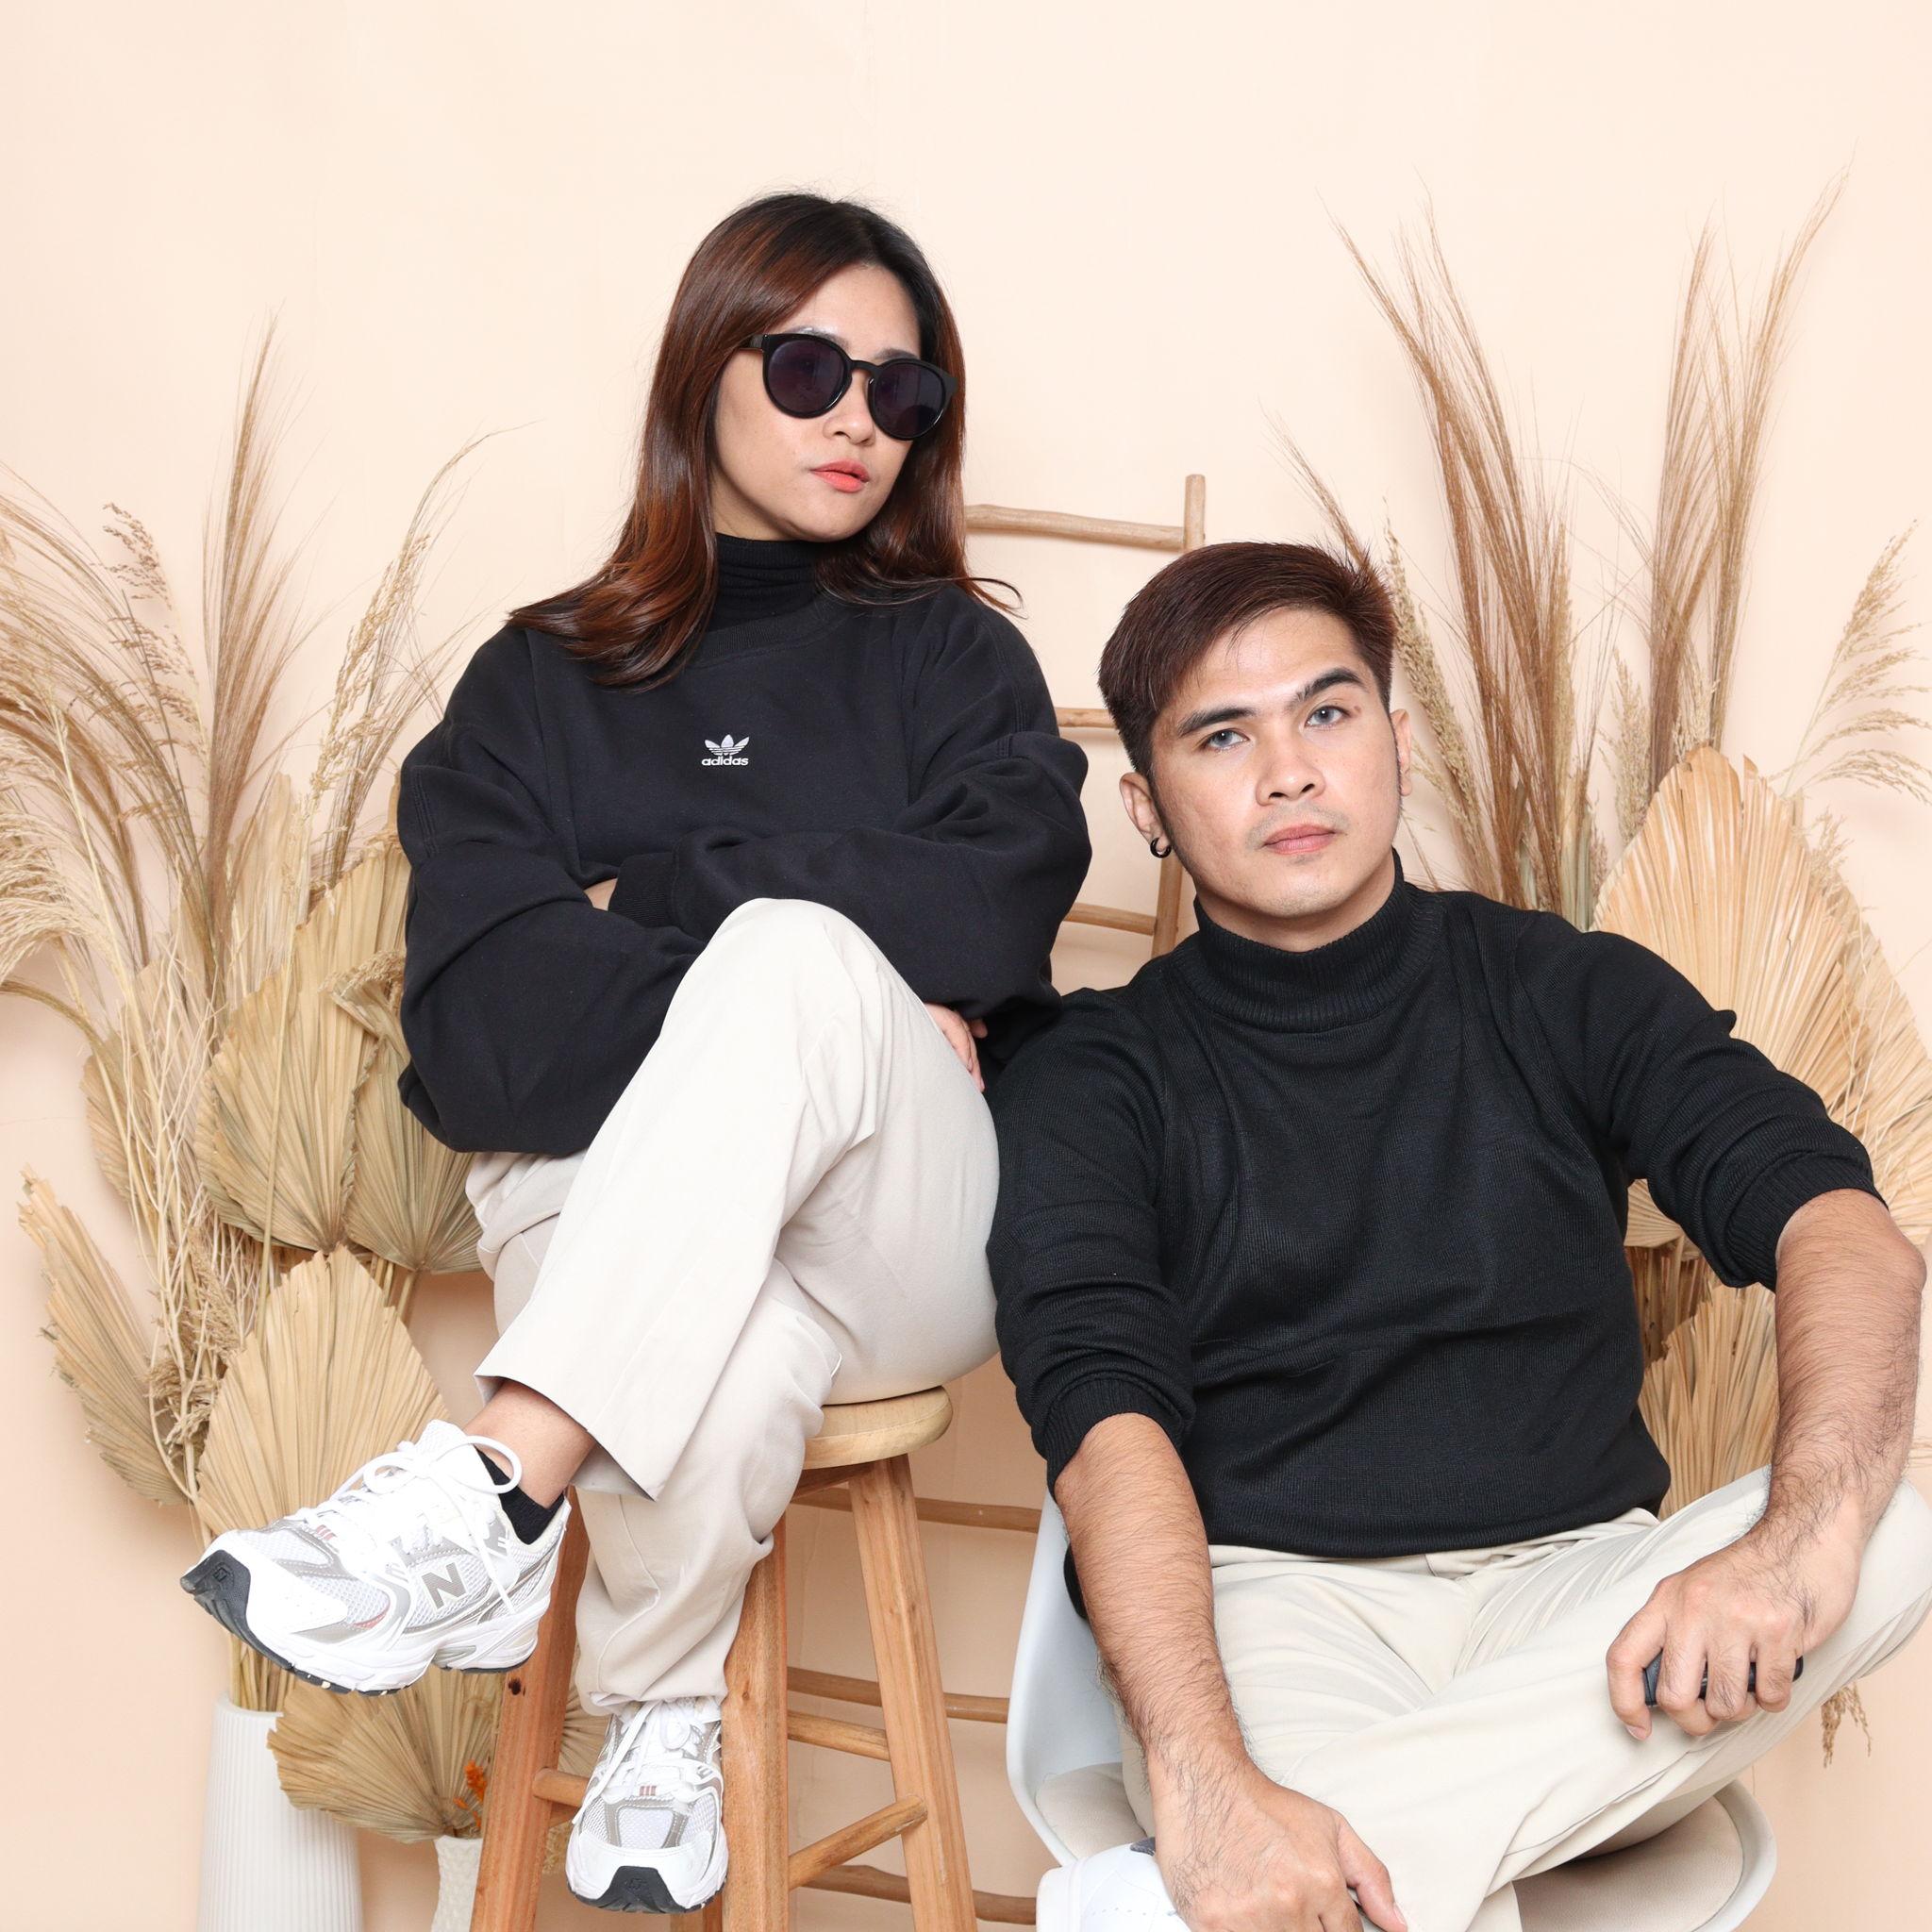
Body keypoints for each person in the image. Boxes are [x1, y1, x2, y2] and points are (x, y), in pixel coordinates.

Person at [181, 191, 1091, 1914]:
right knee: (733, 1320)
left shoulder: (958, 660)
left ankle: (494, 1487)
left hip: (899, 1236)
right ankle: (658, 1705)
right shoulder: (537, 681)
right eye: (810, 368)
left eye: (903, 392)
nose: (858, 419)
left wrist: (667, 902)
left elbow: (993, 905)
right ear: (703, 371)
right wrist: (842, 992)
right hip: (602, 1219)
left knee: (791, 959)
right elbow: (484, 1041)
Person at [988, 540, 1932, 1932]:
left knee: (1886, 1531)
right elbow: (1103, 1428)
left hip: (1581, 1598)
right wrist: (1202, 1778)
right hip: (1273, 1606)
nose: (1290, 772)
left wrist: (1789, 1548)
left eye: (1326, 712)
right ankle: (1323, 1851)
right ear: (1148, 804)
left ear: (1397, 741)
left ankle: (1167, 1905)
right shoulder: (1091, 1077)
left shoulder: (1565, 988)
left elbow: (1843, 1230)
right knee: (1374, 1868)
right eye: (1223, 736)